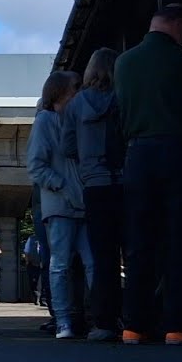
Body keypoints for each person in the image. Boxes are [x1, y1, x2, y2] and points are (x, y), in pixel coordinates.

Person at [115, 3, 182, 345]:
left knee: (140, 242)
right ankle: (177, 325)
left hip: (138, 157)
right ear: (176, 23)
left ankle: (134, 325)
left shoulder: (124, 63)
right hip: (181, 154)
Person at [60, 47, 124, 341]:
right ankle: (139, 320)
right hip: (127, 180)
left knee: (103, 256)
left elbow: (68, 147)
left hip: (94, 184)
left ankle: (104, 322)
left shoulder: (75, 105)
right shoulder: (124, 97)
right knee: (137, 251)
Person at [27, 70, 95, 340]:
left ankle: (93, 317)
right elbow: (36, 166)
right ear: (60, 92)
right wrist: (63, 186)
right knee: (61, 264)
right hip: (61, 205)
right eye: (75, 87)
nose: (80, 92)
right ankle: (64, 320)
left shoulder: (79, 121)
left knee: (90, 263)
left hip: (82, 203)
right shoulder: (46, 121)